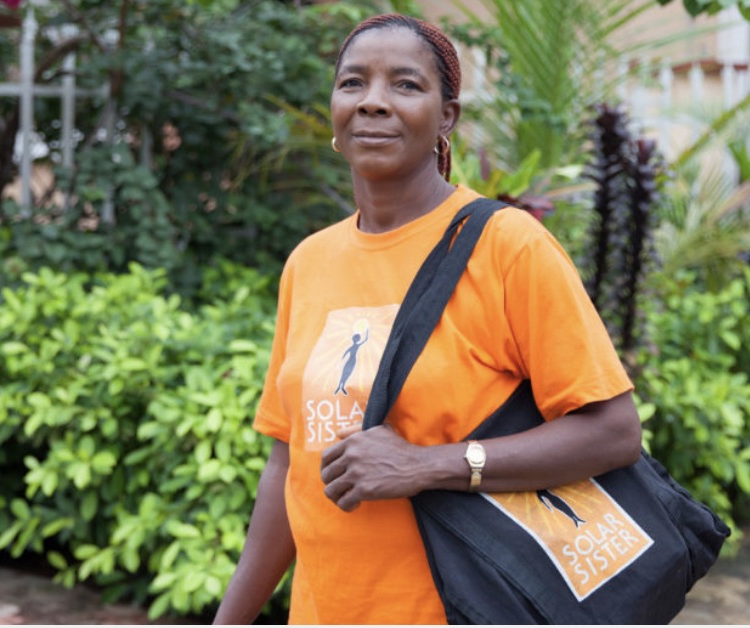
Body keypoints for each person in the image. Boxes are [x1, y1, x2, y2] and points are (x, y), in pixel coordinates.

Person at [213, 13, 641, 625]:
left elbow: (614, 431)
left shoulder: (507, 246)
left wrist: (427, 465)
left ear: (447, 116)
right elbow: (289, 465)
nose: (374, 103)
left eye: (406, 85)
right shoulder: (310, 261)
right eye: (353, 83)